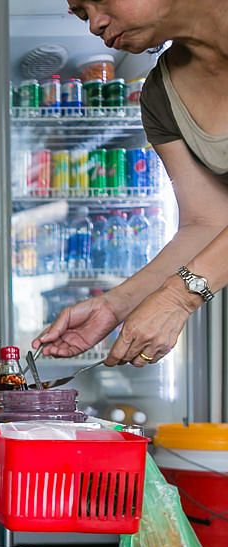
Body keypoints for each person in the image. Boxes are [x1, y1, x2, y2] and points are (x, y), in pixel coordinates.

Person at [35, 1, 225, 363]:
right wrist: (116, 304)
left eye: (98, 1)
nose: (93, 25)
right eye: (81, 14)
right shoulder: (160, 96)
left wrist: (179, 297)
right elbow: (206, 222)